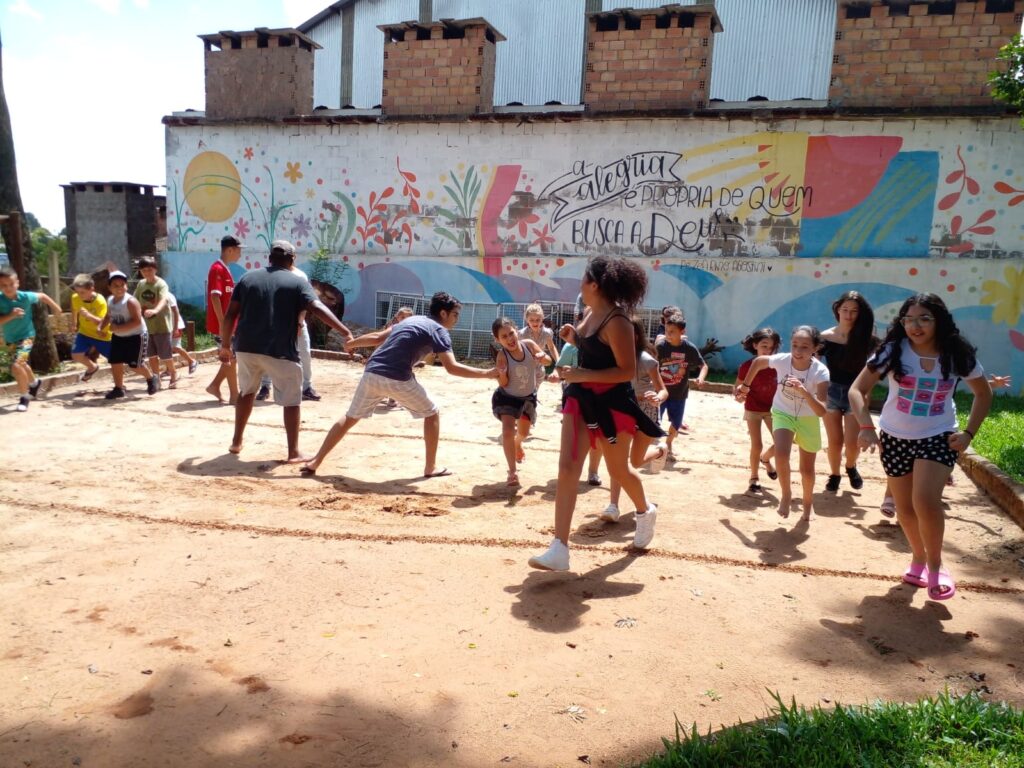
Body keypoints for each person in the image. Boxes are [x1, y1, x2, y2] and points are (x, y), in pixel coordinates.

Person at [850, 294, 992, 600]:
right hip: (894, 437)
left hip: (938, 435)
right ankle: (918, 559)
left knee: (925, 501)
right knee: (904, 508)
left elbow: (984, 394)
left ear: (939, 320)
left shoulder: (957, 353)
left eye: (924, 318)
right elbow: (857, 390)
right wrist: (866, 427)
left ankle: (937, 567)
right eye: (909, 320)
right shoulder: (892, 350)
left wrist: (969, 433)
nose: (916, 326)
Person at [529, 256, 664, 572]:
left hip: (612, 404)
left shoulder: (618, 322)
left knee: (619, 469)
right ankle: (560, 547)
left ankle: (645, 510)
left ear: (595, 284)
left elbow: (626, 371)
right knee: (567, 466)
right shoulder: (590, 313)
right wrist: (574, 339)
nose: (580, 284)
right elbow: (596, 351)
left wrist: (582, 374)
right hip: (580, 398)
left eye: (584, 278)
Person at [300, 292, 498, 477]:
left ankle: (316, 462)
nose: (456, 319)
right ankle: (430, 467)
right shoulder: (439, 331)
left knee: (350, 417)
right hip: (397, 377)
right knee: (432, 413)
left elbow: (377, 338)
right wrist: (488, 373)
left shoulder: (412, 320)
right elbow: (452, 367)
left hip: (372, 372)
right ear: (443, 313)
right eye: (455, 314)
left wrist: (351, 343)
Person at [218, 240, 352, 462]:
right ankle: (293, 452)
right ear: (292, 260)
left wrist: (225, 345)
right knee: (291, 400)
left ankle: (236, 441)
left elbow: (230, 314)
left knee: (246, 392)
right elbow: (317, 307)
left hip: (246, 347)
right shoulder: (298, 282)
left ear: (270, 258)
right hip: (280, 350)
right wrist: (344, 331)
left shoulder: (247, 278)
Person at [735, 326, 830, 521]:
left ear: (815, 348)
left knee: (807, 470)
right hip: (782, 413)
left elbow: (821, 410)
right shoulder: (783, 360)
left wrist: (804, 391)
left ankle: (808, 503)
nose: (798, 351)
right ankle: (786, 495)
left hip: (808, 418)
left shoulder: (821, 372)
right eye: (795, 345)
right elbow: (759, 362)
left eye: (804, 347)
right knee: (781, 453)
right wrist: (745, 386)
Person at [602, 319, 669, 522]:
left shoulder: (647, 361)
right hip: (622, 410)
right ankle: (613, 505)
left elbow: (663, 390)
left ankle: (660, 451)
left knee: (635, 461)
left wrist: (658, 398)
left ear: (636, 337)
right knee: (619, 461)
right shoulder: (611, 358)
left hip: (645, 412)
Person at [820, 291, 877, 493]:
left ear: (861, 313)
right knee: (834, 442)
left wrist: (866, 397)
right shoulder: (824, 337)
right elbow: (814, 367)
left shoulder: (869, 340)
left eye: (854, 311)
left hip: (856, 394)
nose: (848, 315)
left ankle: (851, 466)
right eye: (845, 309)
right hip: (831, 393)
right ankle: (834, 474)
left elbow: (872, 373)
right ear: (837, 310)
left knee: (852, 443)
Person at [491, 317, 551, 486]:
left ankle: (517, 444)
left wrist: (542, 356)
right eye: (504, 336)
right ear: (497, 340)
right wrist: (502, 373)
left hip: (528, 399)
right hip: (507, 399)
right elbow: (503, 383)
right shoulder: (502, 356)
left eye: (511, 333)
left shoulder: (529, 345)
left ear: (517, 331)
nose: (510, 339)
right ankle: (512, 472)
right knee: (507, 432)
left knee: (523, 433)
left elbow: (548, 361)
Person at [256, 259, 320, 402]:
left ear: (292, 258)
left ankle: (306, 387)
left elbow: (305, 301)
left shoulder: (300, 276)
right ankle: (265, 386)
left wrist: (300, 322)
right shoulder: (267, 275)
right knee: (268, 354)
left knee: (304, 353)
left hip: (296, 322)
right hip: (273, 323)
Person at [0, 266, 62, 411]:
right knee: (22, 364)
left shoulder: (25, 297)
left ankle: (24, 397)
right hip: (10, 338)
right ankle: (34, 383)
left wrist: (56, 307)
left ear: (17, 283)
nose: (8, 288)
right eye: (4, 285)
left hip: (27, 336)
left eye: (11, 284)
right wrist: (11, 315)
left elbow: (42, 296)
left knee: (17, 365)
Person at [98, 270, 160, 400]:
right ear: (109, 287)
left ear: (126, 286)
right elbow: (108, 316)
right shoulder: (110, 300)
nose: (120, 288)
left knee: (135, 365)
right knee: (115, 362)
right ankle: (118, 388)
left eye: (122, 285)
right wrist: (101, 327)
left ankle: (151, 378)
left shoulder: (131, 301)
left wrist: (117, 328)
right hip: (118, 336)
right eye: (116, 285)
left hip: (136, 336)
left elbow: (137, 322)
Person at [554, 327, 604, 487]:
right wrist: (567, 374)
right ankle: (570, 473)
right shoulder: (570, 346)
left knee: (597, 435)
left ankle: (593, 471)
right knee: (574, 435)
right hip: (576, 397)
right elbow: (560, 368)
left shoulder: (604, 345)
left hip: (599, 396)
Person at [735, 327, 781, 494]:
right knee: (757, 444)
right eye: (764, 346)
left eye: (772, 347)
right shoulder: (747, 366)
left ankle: (765, 459)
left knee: (782, 443)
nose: (768, 350)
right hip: (753, 409)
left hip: (774, 410)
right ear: (755, 345)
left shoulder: (779, 365)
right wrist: (739, 395)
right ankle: (754, 477)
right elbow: (737, 387)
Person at [655, 314, 707, 460]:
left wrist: (701, 378)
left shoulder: (689, 348)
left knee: (676, 424)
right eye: (666, 331)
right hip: (661, 392)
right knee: (654, 421)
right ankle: (652, 447)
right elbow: (651, 365)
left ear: (682, 332)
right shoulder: (661, 347)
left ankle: (669, 443)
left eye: (672, 331)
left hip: (679, 394)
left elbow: (703, 366)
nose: (668, 334)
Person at [206, 235, 243, 404]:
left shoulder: (224, 269)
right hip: (223, 325)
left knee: (231, 357)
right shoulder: (217, 269)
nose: (240, 254)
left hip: (229, 324)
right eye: (238, 250)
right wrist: (222, 324)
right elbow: (215, 297)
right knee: (230, 358)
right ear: (230, 250)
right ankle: (234, 395)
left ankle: (215, 386)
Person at [134, 255, 175, 391]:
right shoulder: (141, 284)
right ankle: (156, 379)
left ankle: (173, 374)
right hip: (146, 327)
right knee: (151, 355)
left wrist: (155, 310)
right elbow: (134, 300)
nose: (147, 273)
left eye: (150, 270)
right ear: (140, 271)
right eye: (144, 270)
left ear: (155, 269)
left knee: (165, 355)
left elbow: (164, 299)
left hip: (162, 325)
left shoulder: (161, 284)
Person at [69, 273, 112, 383]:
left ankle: (121, 382)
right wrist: (74, 322)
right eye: (77, 292)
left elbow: (103, 322)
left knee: (115, 359)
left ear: (91, 289)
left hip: (102, 335)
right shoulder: (75, 297)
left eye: (82, 292)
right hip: (84, 332)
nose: (79, 295)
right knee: (76, 355)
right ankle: (92, 367)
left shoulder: (100, 301)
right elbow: (74, 308)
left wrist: (88, 315)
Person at [519, 303, 560, 390]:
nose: (535, 322)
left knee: (534, 391)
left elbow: (551, 347)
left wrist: (559, 362)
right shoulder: (522, 334)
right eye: (531, 320)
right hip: (524, 369)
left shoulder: (547, 333)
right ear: (527, 320)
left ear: (542, 319)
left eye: (538, 320)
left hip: (539, 369)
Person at [166, 291, 198, 376]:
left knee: (176, 347)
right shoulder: (157, 295)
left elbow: (175, 311)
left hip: (176, 325)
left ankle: (192, 361)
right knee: (167, 348)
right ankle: (169, 369)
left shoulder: (168, 296)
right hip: (167, 327)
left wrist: (176, 328)